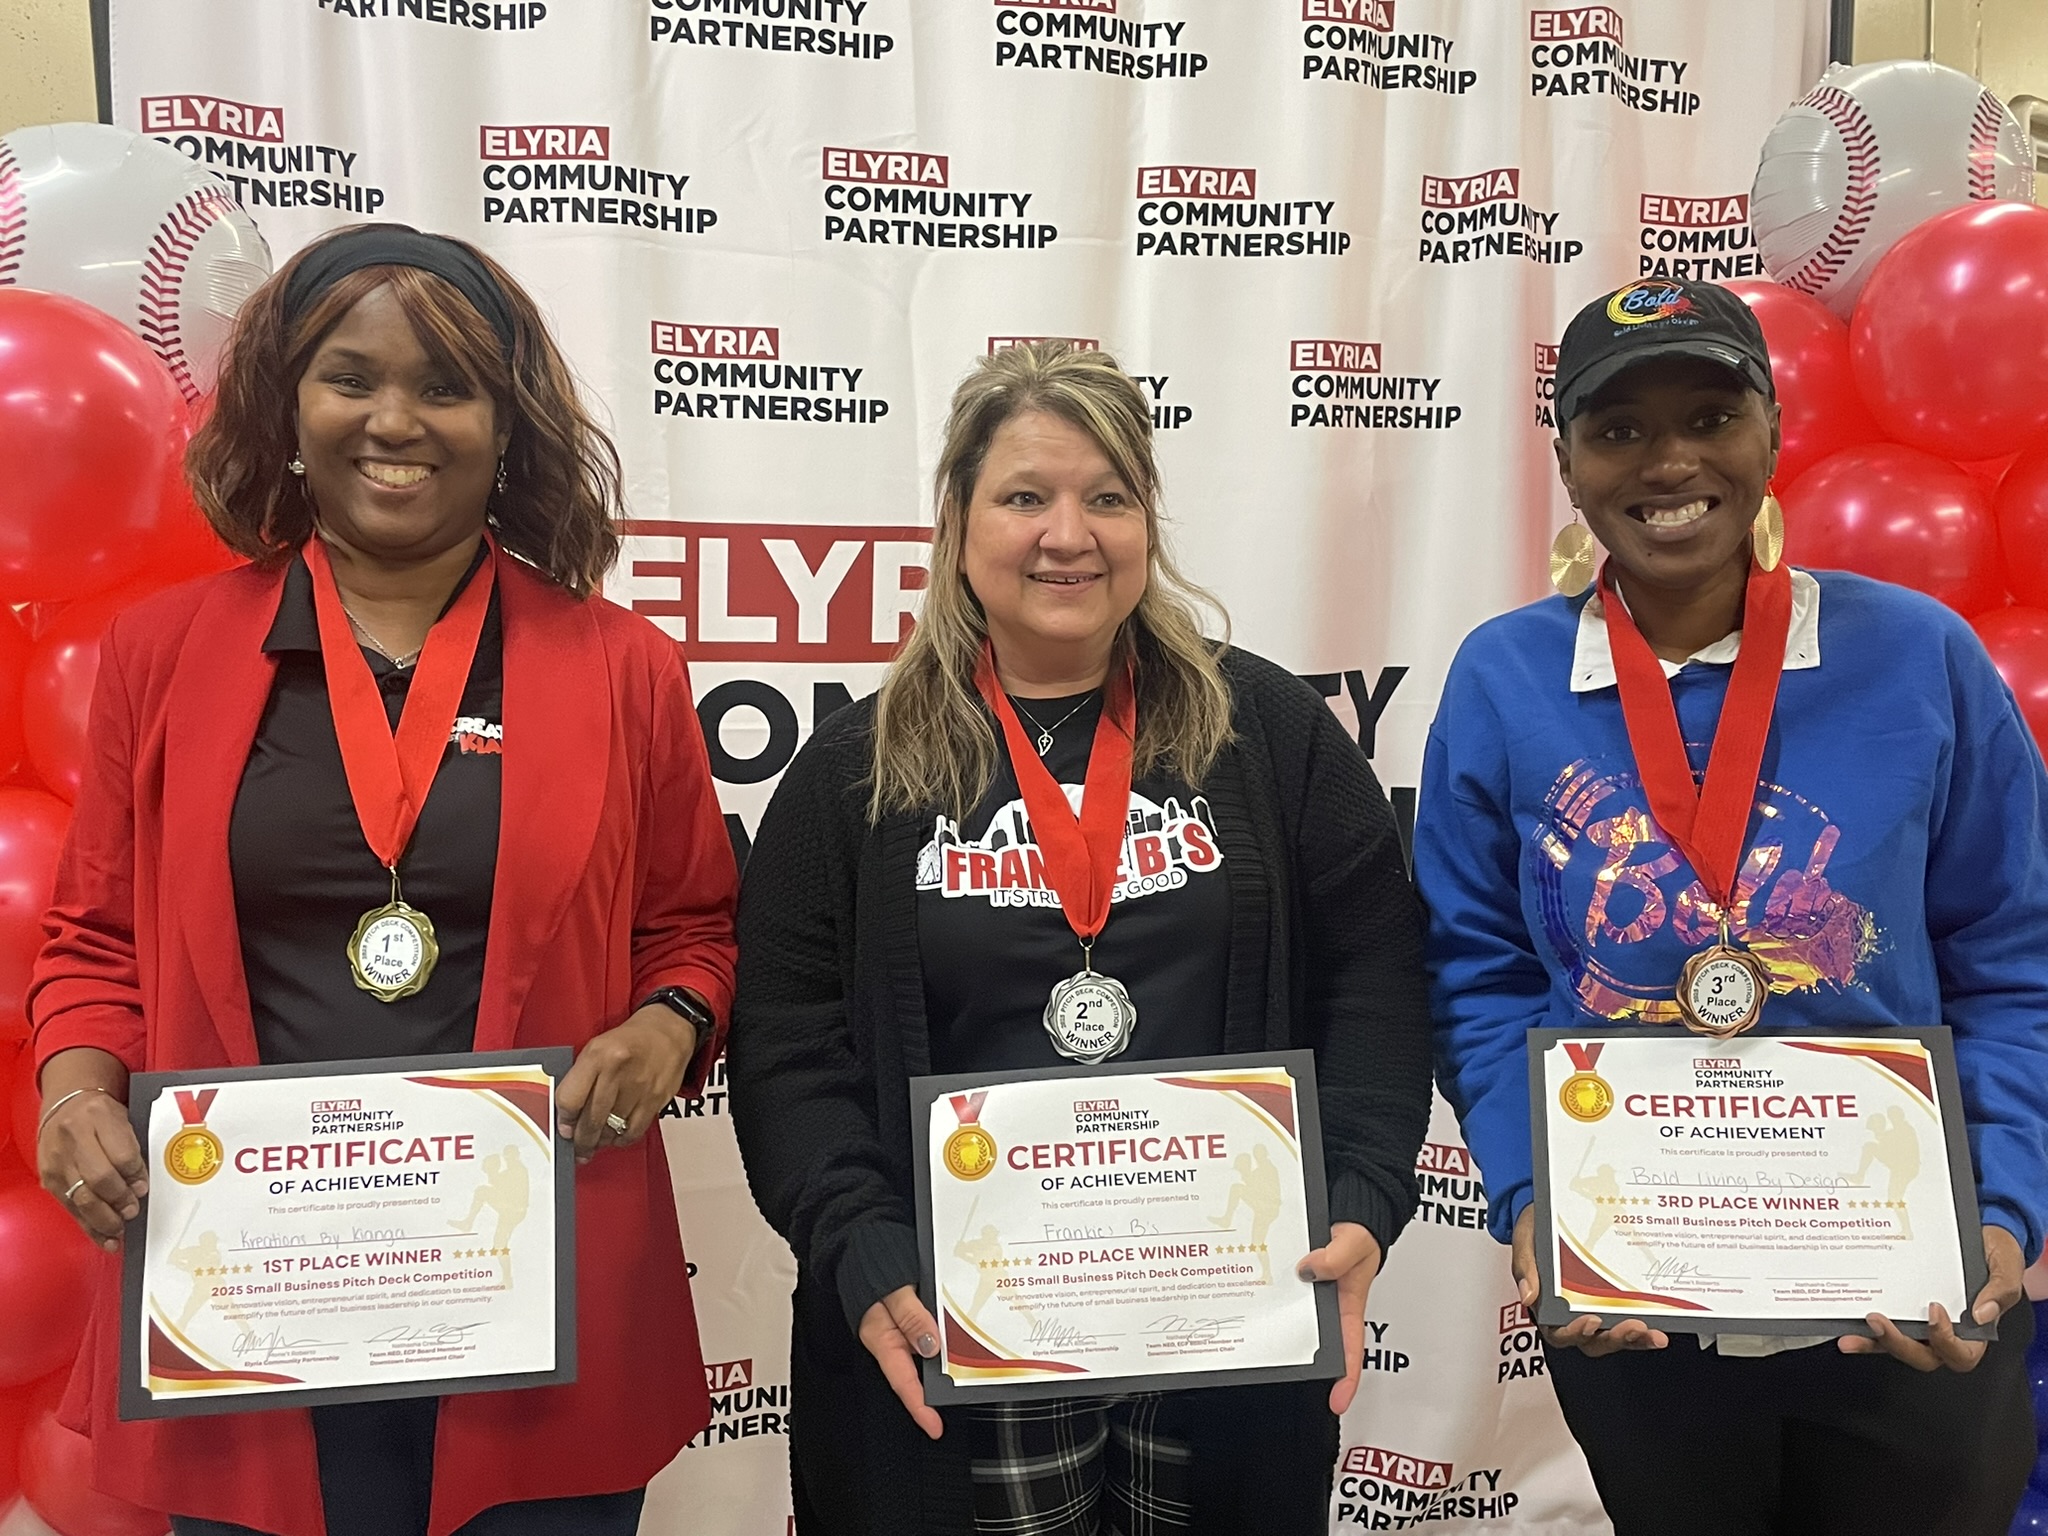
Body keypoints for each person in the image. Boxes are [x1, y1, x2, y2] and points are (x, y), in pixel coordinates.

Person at [29, 223, 740, 1536]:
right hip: (247, 1305)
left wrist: (667, 1025)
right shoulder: (163, 653)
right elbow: (94, 939)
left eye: (446, 386)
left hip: (537, 1296)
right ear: (288, 407)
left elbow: (691, 926)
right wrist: (74, 1089)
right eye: (350, 378)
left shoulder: (621, 668)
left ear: (506, 424)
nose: (395, 421)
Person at [727, 340, 1432, 1535]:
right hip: (960, 1331)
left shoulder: (1267, 731)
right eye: (1024, 497)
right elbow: (788, 1040)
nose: (1069, 535)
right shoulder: (855, 771)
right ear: (956, 523)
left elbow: (1372, 974)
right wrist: (859, 1240)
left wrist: (1361, 1188)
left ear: (1146, 520)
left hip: (1226, 1314)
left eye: (1106, 497)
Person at [1415, 277, 2048, 1535]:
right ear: (1567, 463)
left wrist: (1995, 1208)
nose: (1669, 463)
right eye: (1618, 430)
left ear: (1771, 429)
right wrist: (1532, 1194)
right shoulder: (1504, 677)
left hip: (1906, 1294)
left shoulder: (1915, 654)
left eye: (1710, 417)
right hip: (1639, 1308)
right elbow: (1474, 970)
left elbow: (2011, 958)